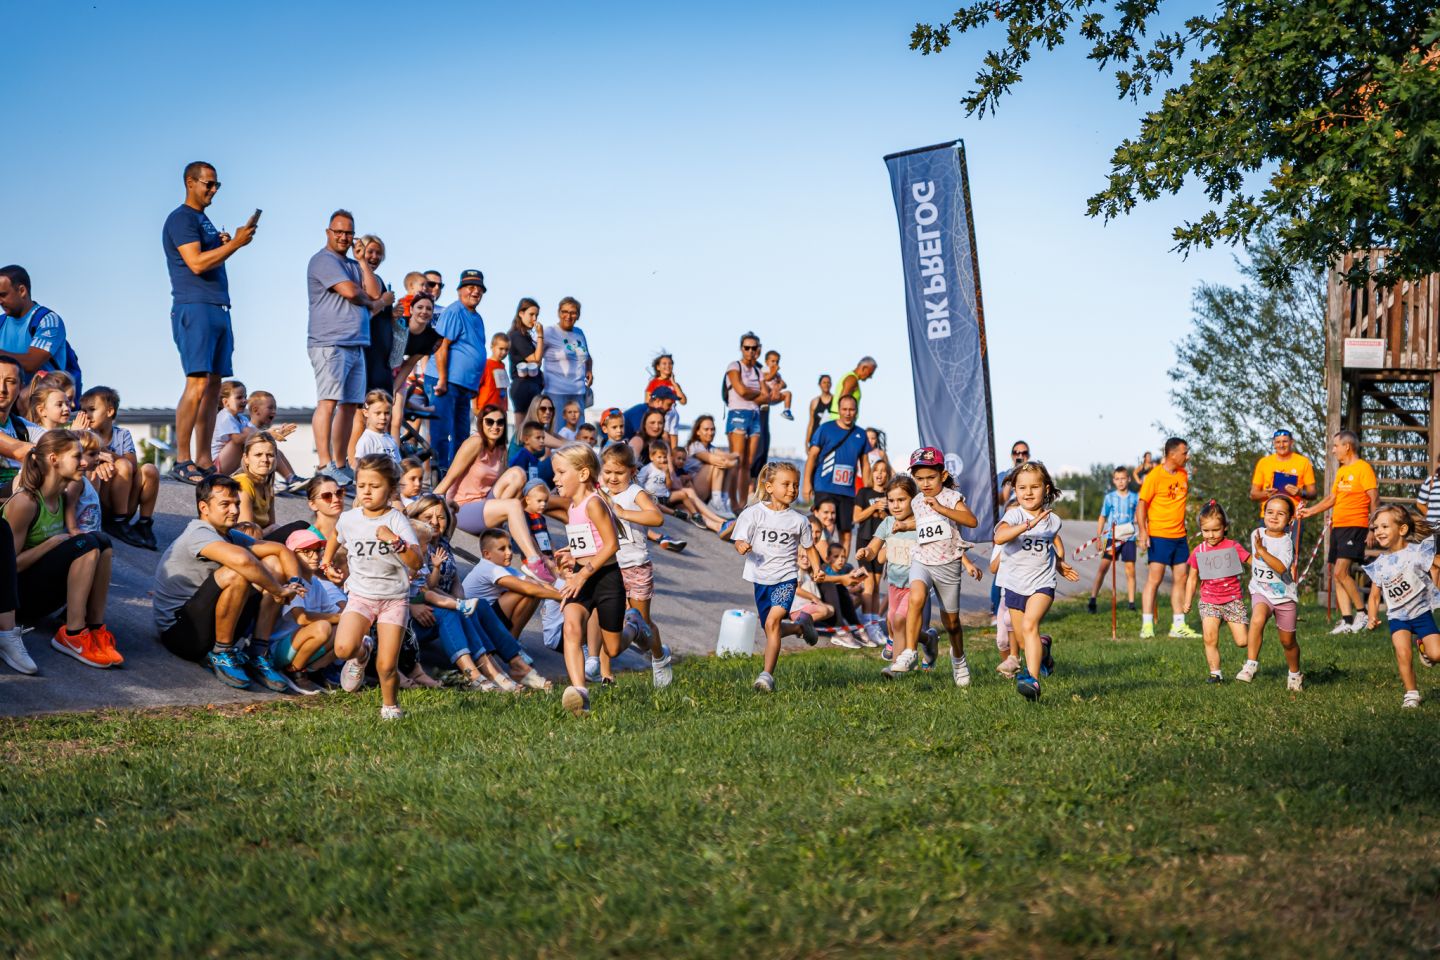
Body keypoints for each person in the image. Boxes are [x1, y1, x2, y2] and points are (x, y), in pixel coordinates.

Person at [151, 474, 303, 689]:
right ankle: (222, 653)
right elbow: (241, 560)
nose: (234, 510)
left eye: (236, 504)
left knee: (272, 562)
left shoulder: (229, 534)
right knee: (237, 571)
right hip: (181, 633)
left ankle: (258, 653)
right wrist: (278, 590)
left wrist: (295, 583)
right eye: (225, 504)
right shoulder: (198, 532)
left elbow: (281, 550)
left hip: (208, 624)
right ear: (204, 507)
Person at [162, 162, 257, 484]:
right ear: (190, 182)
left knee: (214, 386)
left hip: (218, 307)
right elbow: (196, 263)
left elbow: (208, 255)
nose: (214, 190)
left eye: (217, 185)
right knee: (198, 383)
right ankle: (183, 458)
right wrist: (235, 244)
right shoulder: (181, 218)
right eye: (209, 184)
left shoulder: (202, 220)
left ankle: (203, 459)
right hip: (195, 306)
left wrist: (222, 244)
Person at [4, 430, 117, 668]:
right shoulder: (26, 502)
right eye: (77, 457)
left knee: (102, 541)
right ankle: (73, 634)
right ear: (54, 459)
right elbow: (7, 567)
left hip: (41, 593)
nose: (85, 462)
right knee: (84, 545)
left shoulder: (63, 498)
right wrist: (52, 543)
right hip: (15, 600)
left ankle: (95, 629)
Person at [322, 455, 423, 718]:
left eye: (374, 486)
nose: (366, 491)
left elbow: (417, 560)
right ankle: (361, 652)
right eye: (362, 484)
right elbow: (336, 535)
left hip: (393, 599)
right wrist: (326, 560)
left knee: (387, 665)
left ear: (390, 490)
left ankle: (390, 707)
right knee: (343, 648)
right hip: (360, 596)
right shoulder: (350, 518)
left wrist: (395, 542)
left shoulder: (396, 521)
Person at [306, 210, 392, 486]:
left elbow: (374, 292)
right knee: (328, 402)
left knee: (350, 405)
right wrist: (367, 299)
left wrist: (362, 262)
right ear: (328, 232)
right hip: (330, 342)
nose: (344, 237)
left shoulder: (354, 265)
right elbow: (353, 292)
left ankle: (341, 463)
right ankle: (324, 463)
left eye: (349, 233)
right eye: (339, 232)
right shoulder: (323, 260)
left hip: (356, 343)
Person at [887, 447, 981, 684]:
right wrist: (905, 526)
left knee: (951, 623)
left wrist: (941, 508)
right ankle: (909, 652)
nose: (925, 483)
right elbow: (923, 525)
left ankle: (958, 659)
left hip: (948, 564)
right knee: (915, 598)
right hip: (922, 560)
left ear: (944, 475)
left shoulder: (951, 498)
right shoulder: (917, 500)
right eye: (919, 479)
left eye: (931, 478)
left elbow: (971, 520)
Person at [431, 405, 555, 583]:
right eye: (489, 422)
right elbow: (450, 477)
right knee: (512, 505)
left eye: (500, 422)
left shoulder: (500, 449)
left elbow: (509, 485)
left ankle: (508, 532)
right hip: (463, 508)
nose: (494, 426)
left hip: (485, 504)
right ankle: (533, 560)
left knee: (518, 473)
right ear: (481, 423)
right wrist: (432, 504)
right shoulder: (475, 442)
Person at [731, 461, 824, 693]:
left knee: (772, 623)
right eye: (786, 484)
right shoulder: (752, 514)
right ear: (769, 486)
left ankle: (766, 676)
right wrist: (741, 545)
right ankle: (800, 626)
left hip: (786, 578)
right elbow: (739, 538)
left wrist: (817, 568)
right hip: (760, 579)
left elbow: (810, 547)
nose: (792, 489)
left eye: (795, 485)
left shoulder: (799, 521)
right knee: (771, 628)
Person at [552, 443, 627, 717]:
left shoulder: (594, 503)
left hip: (605, 578)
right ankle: (580, 694)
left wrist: (583, 571)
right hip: (582, 580)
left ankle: (636, 625)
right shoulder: (573, 507)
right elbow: (589, 543)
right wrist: (574, 555)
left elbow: (611, 545)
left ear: (583, 474)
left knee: (614, 648)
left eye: (561, 473)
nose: (555, 479)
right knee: (571, 627)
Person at [993, 460, 1077, 700]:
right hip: (1014, 583)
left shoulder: (1053, 520)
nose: (1028, 492)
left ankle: (1033, 681)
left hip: (1042, 582)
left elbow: (1050, 544)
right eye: (1022, 488)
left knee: (1030, 625)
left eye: (1034, 487)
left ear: (1046, 489)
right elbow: (1000, 537)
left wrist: (1059, 564)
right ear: (1015, 490)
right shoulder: (1014, 514)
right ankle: (1045, 654)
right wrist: (1027, 524)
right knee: (1022, 636)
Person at [598, 444, 674, 687]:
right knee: (608, 621)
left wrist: (623, 513)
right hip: (610, 566)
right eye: (608, 472)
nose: (612, 478)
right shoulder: (600, 495)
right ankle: (606, 673)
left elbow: (657, 517)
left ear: (631, 471)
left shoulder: (635, 493)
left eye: (618, 473)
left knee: (643, 622)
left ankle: (660, 657)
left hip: (636, 566)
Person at [1297, 430, 1378, 634]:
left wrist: (1372, 527)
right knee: (1337, 574)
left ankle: (1362, 613)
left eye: (1335, 446)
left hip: (1356, 526)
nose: (1333, 450)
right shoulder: (1342, 471)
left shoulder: (1363, 468)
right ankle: (1347, 621)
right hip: (1339, 526)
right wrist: (1310, 512)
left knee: (1342, 571)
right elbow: (1332, 499)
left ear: (1347, 447)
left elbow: (1374, 499)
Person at [1362, 504, 1440, 709]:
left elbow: (1436, 564)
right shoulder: (1379, 563)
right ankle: (1411, 693)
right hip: (1398, 616)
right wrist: (1371, 617)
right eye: (1376, 528)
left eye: (1384, 526)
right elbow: (1374, 596)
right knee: (1402, 652)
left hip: (1422, 614)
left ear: (1402, 529)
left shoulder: (1417, 552)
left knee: (1437, 654)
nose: (1378, 531)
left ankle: (1423, 646)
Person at [264, 528, 343, 695]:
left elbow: (335, 613)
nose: (315, 556)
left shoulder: (316, 583)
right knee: (323, 627)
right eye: (306, 552)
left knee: (342, 631)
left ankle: (310, 670)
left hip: (300, 646)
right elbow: (302, 619)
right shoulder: (292, 583)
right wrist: (339, 617)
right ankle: (294, 671)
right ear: (292, 556)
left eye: (317, 550)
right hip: (279, 649)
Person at [1237, 495, 1303, 689]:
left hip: (1284, 597)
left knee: (1288, 641)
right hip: (1261, 592)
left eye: (1280, 513)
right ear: (1263, 514)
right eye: (1270, 512)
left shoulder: (1286, 543)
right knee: (1257, 619)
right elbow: (1255, 557)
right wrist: (1258, 551)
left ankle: (1294, 674)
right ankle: (1251, 664)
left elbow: (1281, 567)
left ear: (1290, 520)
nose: (1274, 517)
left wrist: (1262, 551)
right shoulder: (1256, 533)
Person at [1181, 500, 1251, 684]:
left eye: (1215, 530)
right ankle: (1216, 674)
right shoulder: (1199, 551)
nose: (1211, 535)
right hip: (1209, 601)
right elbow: (1192, 578)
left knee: (1243, 641)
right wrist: (1188, 600)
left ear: (1225, 528)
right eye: (1206, 531)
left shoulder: (1232, 546)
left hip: (1232, 600)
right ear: (1201, 529)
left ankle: (1253, 652)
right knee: (1209, 638)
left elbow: (1252, 561)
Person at [1137, 437, 1200, 640]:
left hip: (1180, 536)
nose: (1187, 456)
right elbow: (1141, 505)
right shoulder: (1154, 476)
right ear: (1172, 454)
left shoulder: (1183, 474)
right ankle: (1147, 626)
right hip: (1159, 536)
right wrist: (1143, 531)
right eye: (1184, 452)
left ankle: (1178, 625)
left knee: (1181, 579)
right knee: (1154, 580)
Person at [428, 269, 489, 473]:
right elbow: (441, 346)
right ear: (460, 290)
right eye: (470, 287)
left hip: (464, 386)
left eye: (479, 289)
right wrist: (443, 379)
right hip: (445, 381)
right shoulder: (454, 311)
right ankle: (440, 473)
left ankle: (457, 474)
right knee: (442, 430)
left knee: (461, 433)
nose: (475, 292)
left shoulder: (478, 317)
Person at [855, 473, 920, 663]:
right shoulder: (888, 523)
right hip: (894, 584)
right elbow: (874, 549)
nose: (896, 505)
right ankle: (915, 640)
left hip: (914, 585)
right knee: (892, 620)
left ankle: (896, 667)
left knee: (900, 619)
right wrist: (865, 552)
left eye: (901, 500)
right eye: (891, 501)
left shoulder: (919, 524)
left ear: (913, 500)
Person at [802, 394, 872, 557]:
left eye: (851, 409)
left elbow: (865, 463)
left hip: (847, 492)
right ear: (839, 410)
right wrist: (806, 484)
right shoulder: (825, 429)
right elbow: (812, 457)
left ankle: (840, 569)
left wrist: (867, 491)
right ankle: (819, 566)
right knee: (824, 527)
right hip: (825, 486)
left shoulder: (860, 434)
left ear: (856, 411)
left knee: (846, 534)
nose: (848, 413)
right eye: (844, 409)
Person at [0, 265, 78, 391]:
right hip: (10, 395)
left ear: (22, 291)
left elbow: (31, 363)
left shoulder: (47, 320)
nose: (0, 301)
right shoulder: (1, 322)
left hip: (43, 397)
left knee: (25, 395)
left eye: (3, 295)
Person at [723, 332, 766, 514]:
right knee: (737, 459)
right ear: (741, 349)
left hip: (755, 416)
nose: (750, 351)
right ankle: (732, 502)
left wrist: (753, 393)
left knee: (748, 463)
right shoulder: (734, 366)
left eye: (753, 348)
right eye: (746, 347)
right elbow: (740, 391)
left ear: (758, 350)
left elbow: (767, 396)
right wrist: (756, 394)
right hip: (738, 413)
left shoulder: (758, 371)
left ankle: (743, 504)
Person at [1088, 466, 1139, 613]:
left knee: (1130, 569)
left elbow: (1140, 516)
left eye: (1123, 478)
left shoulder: (1134, 497)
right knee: (1103, 567)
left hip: (1128, 537)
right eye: (1117, 479)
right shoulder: (1109, 497)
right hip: (1111, 537)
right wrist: (1099, 538)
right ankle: (1093, 599)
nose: (1121, 482)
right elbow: (1102, 517)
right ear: (1114, 481)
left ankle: (1131, 603)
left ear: (1128, 479)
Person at [853, 458, 892, 642]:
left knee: (876, 586)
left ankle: (874, 623)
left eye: (883, 471)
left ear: (887, 475)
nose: (879, 474)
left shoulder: (891, 495)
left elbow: (892, 522)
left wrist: (884, 512)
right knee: (867, 583)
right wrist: (874, 507)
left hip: (882, 544)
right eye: (877, 470)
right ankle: (867, 625)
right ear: (872, 473)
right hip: (865, 541)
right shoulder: (864, 492)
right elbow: (856, 517)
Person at [541, 297, 591, 417]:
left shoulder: (579, 333)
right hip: (556, 393)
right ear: (559, 313)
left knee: (578, 433)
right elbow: (535, 357)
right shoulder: (549, 332)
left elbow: (587, 357)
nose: (568, 316)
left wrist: (589, 369)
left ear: (578, 316)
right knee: (556, 432)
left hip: (578, 392)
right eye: (565, 312)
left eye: (573, 312)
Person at [680, 415, 737, 517]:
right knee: (716, 465)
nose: (710, 433)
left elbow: (730, 457)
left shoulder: (711, 448)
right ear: (697, 432)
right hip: (694, 491)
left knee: (726, 467)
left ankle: (723, 501)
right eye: (706, 429)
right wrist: (732, 462)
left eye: (712, 429)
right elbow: (718, 460)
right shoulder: (695, 446)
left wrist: (736, 457)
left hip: (704, 490)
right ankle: (716, 503)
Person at [507, 298, 546, 436]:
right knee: (522, 431)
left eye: (536, 315)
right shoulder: (516, 335)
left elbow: (538, 361)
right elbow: (535, 360)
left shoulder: (526, 336)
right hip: (523, 385)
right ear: (521, 313)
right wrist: (540, 335)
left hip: (533, 384)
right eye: (531, 314)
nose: (534, 319)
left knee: (534, 430)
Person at [233, 433, 280, 536]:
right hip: (238, 544)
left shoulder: (268, 486)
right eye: (258, 455)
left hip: (260, 541)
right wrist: (272, 529)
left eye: (270, 455)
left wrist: (273, 529)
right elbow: (246, 535)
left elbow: (272, 527)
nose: (265, 460)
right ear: (246, 458)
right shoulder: (243, 482)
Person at [211, 379, 258, 475]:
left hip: (229, 462)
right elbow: (237, 440)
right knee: (242, 437)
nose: (244, 400)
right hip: (216, 466)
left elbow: (256, 432)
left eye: (245, 397)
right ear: (225, 402)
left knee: (267, 447)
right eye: (239, 397)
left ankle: (290, 477)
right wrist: (259, 433)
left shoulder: (242, 418)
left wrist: (273, 432)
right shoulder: (224, 416)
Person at [354, 389, 402, 465]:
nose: (383, 417)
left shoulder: (390, 439)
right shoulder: (367, 440)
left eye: (387, 413)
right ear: (366, 413)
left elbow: (398, 465)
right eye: (378, 413)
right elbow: (360, 467)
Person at [474, 332, 511, 416]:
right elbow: (475, 387)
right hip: (485, 410)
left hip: (499, 411)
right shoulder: (486, 365)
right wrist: (475, 408)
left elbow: (504, 390)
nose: (504, 352)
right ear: (492, 347)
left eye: (506, 349)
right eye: (501, 349)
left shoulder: (503, 367)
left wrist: (505, 408)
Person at [995, 439, 1030, 511]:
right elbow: (1001, 500)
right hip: (1008, 518)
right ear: (1012, 456)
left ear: (1028, 456)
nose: (1020, 456)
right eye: (1016, 453)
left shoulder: (1034, 475)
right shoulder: (1002, 476)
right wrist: (1011, 476)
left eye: (1024, 453)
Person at [760, 350, 794, 420]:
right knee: (765, 387)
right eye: (773, 361)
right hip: (767, 395)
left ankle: (786, 411)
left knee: (788, 393)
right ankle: (764, 403)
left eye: (777, 362)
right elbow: (767, 378)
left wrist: (779, 386)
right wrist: (774, 371)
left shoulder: (778, 374)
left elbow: (784, 384)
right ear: (766, 362)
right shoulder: (765, 369)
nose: (775, 364)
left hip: (775, 396)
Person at [803, 374, 833, 450]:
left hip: (831, 439)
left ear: (831, 384)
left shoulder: (836, 401)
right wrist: (806, 441)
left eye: (828, 382)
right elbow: (811, 423)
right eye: (824, 382)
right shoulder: (814, 402)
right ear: (819, 385)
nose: (826, 385)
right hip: (816, 439)